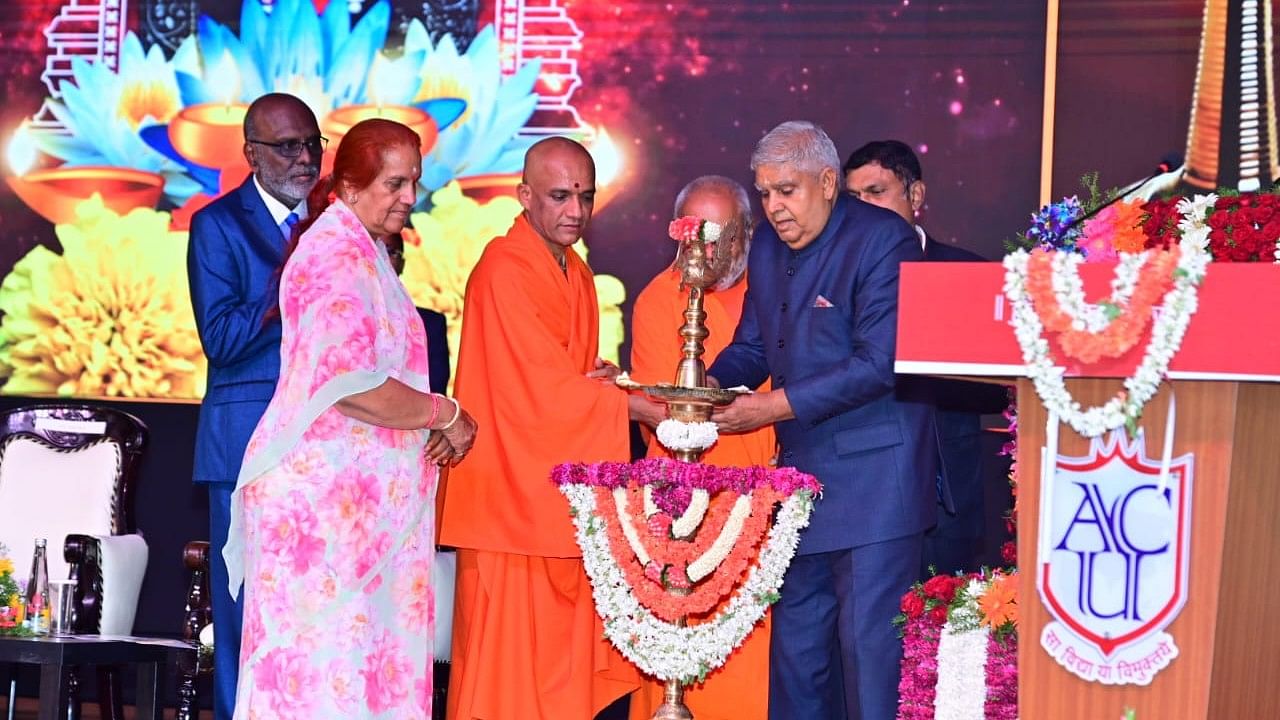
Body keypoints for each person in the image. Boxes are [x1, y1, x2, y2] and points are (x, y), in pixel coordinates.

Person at [222, 117, 478, 719]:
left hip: (356, 516)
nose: (410, 198)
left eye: (414, 181)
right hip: (324, 523)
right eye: (395, 184)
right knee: (322, 681)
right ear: (351, 186)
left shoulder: (363, 250)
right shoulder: (334, 254)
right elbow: (349, 384)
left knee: (359, 679)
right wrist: (444, 414)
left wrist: (429, 421)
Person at [707, 121, 937, 720]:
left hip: (875, 489)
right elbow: (754, 346)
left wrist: (769, 409)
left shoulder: (884, 240)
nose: (774, 207)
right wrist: (700, 388)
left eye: (787, 190)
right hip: (800, 486)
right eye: (764, 193)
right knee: (797, 666)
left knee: (869, 667)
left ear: (829, 182)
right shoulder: (766, 244)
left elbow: (880, 363)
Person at [439, 136, 657, 720]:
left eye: (584, 196)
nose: (575, 212)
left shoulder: (579, 274)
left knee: (560, 676)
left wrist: (607, 387)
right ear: (524, 196)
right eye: (560, 196)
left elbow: (568, 379)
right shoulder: (503, 269)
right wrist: (627, 405)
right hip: (508, 498)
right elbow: (536, 391)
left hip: (555, 496)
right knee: (504, 678)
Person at [187, 92, 322, 720]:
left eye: (313, 143)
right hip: (245, 445)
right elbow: (221, 339)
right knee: (244, 612)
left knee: (310, 613)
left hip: (323, 445)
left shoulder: (333, 224)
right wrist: (290, 277)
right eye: (288, 146)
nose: (305, 158)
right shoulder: (217, 225)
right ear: (251, 154)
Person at [627, 175, 775, 720]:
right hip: (681, 507)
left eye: (718, 236)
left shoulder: (769, 295)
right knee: (677, 660)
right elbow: (664, 412)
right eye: (693, 235)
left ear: (747, 235)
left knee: (746, 666)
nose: (703, 252)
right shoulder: (657, 299)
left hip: (756, 509)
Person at [844, 140, 1009, 576]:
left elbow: (996, 394)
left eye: (876, 192)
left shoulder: (967, 275)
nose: (864, 208)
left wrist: (904, 372)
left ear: (915, 195)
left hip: (945, 491)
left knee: (941, 628)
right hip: (859, 490)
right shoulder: (833, 278)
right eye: (853, 198)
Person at [387, 230, 452, 393]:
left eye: (390, 252)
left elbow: (436, 393)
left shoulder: (431, 325)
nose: (382, 258)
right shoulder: (346, 321)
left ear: (402, 264)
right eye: (374, 249)